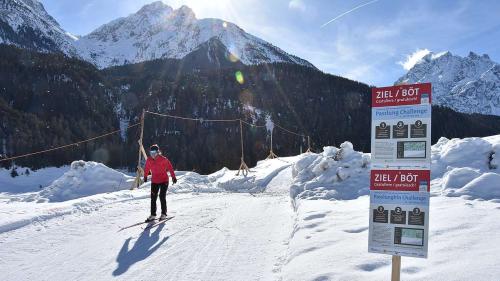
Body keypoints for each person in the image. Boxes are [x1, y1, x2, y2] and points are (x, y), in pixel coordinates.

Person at [143, 144, 177, 222]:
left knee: (162, 196)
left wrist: (173, 177)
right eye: (151, 152)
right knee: (153, 198)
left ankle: (164, 213)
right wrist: (145, 176)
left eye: (154, 152)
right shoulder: (149, 160)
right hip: (154, 181)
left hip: (164, 180)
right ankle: (153, 215)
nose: (152, 154)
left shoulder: (163, 159)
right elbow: (147, 168)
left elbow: (170, 168)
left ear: (158, 152)